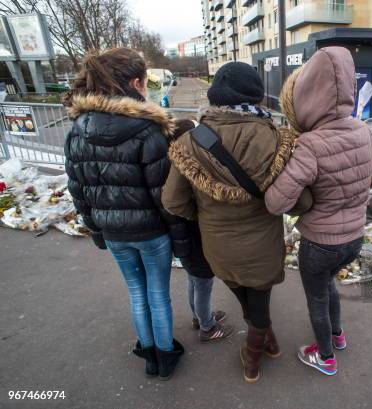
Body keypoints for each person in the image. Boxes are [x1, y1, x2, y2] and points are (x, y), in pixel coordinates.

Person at [162, 61, 311, 383]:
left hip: (217, 246)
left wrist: (205, 215)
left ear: (215, 96)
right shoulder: (277, 139)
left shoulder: (189, 142)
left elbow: (173, 201)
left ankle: (261, 346)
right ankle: (253, 357)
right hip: (263, 246)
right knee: (258, 299)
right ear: (257, 97)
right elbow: (301, 201)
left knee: (245, 298)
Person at [63, 48, 187, 380]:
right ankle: (164, 355)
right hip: (151, 233)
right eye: (146, 82)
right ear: (135, 83)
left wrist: (96, 229)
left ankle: (148, 354)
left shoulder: (77, 128)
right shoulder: (148, 130)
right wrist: (178, 235)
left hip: (113, 232)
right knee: (157, 293)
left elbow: (77, 188)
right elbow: (163, 195)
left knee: (136, 291)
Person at [265, 47, 372, 376]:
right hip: (354, 237)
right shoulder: (364, 130)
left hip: (320, 243)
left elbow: (277, 203)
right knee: (329, 285)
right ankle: (337, 335)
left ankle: (326, 357)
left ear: (307, 95)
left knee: (317, 296)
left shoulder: (309, 145)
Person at [169, 119, 234, 343]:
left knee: (194, 281)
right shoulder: (188, 167)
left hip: (183, 241)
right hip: (195, 238)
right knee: (203, 283)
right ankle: (207, 327)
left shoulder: (172, 164)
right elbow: (177, 202)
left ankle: (199, 317)